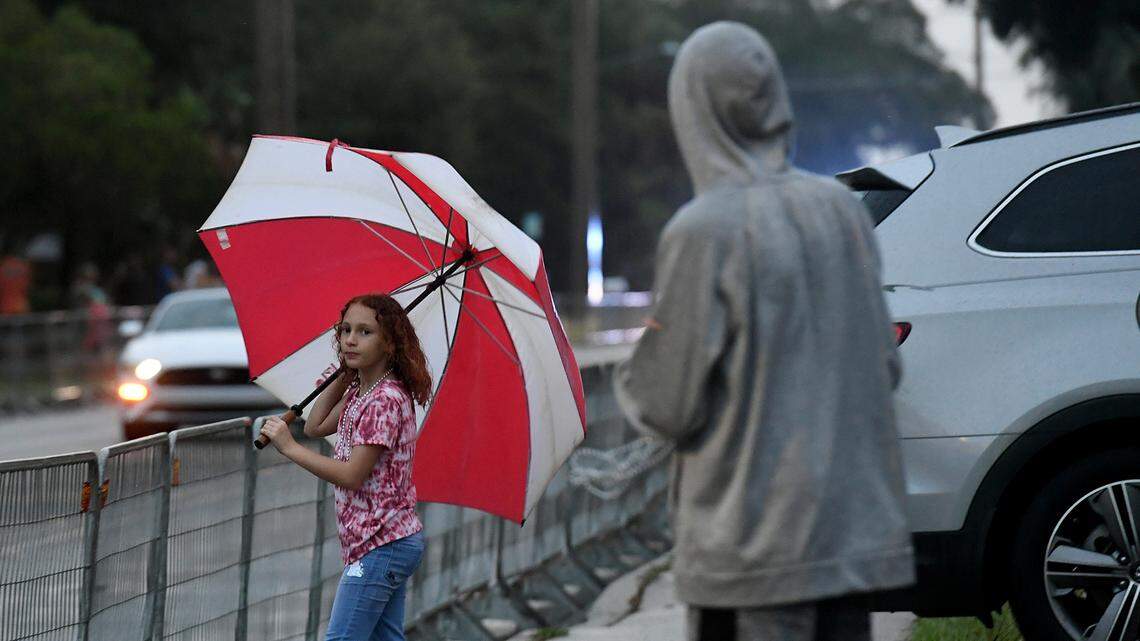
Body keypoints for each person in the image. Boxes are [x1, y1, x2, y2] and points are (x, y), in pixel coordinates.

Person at [613, 22, 914, 641]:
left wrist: (638, 366)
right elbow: (885, 368)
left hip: (751, 553)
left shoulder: (704, 230)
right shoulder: (841, 211)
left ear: (693, 110)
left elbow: (666, 403)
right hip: (847, 542)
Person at [260, 293, 429, 641]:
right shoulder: (361, 391)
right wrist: (342, 375)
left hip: (382, 542)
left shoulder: (384, 400)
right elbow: (315, 426)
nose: (350, 339)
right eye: (346, 330)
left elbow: (352, 475)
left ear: (389, 343)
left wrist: (289, 448)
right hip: (381, 542)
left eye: (365, 332)